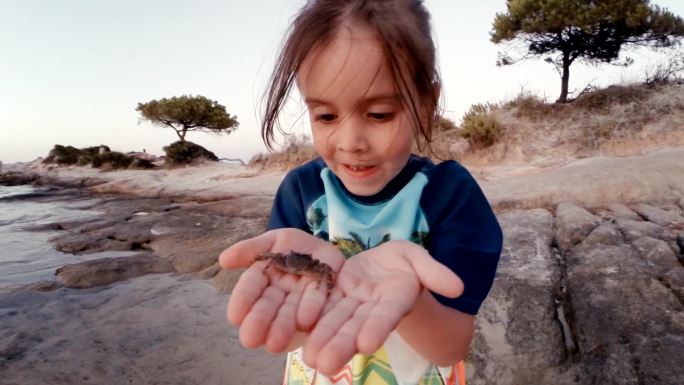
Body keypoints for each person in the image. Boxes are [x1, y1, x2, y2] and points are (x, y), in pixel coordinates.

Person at [218, 1, 503, 384]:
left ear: (425, 105)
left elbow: (451, 347)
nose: (350, 142)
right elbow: (291, 333)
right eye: (326, 116)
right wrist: (299, 300)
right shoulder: (301, 190)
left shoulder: (450, 195)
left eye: (380, 114)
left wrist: (412, 300)